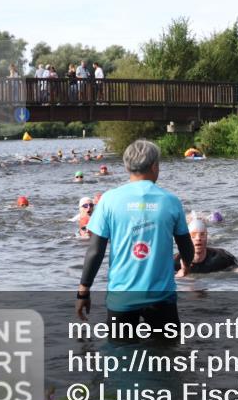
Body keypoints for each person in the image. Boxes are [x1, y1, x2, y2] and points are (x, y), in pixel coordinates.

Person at [75, 139, 194, 328]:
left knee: (119, 354)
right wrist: (185, 265)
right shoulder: (171, 201)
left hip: (122, 298)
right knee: (168, 354)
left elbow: (95, 251)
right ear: (154, 166)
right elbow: (186, 246)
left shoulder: (108, 200)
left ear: (127, 167)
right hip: (161, 297)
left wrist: (83, 292)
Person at [173, 212, 238, 274]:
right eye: (193, 235)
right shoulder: (173, 262)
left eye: (202, 234)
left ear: (207, 237)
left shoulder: (221, 257)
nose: (198, 238)